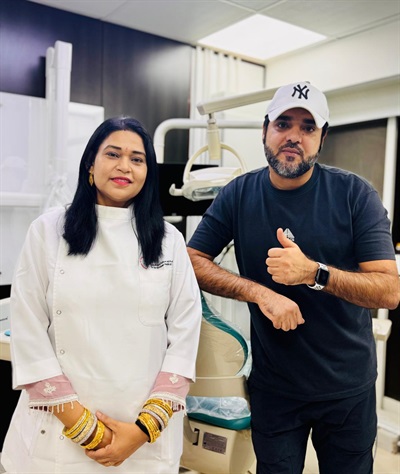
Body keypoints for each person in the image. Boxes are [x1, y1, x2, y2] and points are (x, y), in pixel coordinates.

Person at [187, 82, 400, 474]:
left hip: (346, 389)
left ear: (322, 138)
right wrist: (259, 294)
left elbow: (389, 290)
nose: (293, 137)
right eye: (283, 124)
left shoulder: (355, 195)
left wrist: (314, 273)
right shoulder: (238, 194)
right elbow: (192, 260)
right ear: (264, 130)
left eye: (307, 127)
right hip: (276, 388)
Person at [2, 116, 202, 473]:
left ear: (147, 173)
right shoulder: (48, 231)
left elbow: (185, 335)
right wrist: (85, 429)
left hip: (142, 439)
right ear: (90, 165)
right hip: (59, 432)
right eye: (113, 154)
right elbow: (28, 328)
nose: (125, 166)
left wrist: (141, 431)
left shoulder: (168, 240)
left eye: (137, 159)